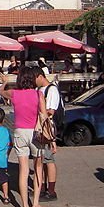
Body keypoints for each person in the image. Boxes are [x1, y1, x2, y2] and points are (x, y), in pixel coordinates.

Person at [0, 67, 50, 207]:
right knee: (38, 167)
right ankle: (36, 203)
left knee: (23, 170)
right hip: (35, 133)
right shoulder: (38, 94)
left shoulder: (14, 94)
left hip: (19, 132)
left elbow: (0, 92)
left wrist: (5, 82)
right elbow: (44, 116)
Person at [36, 72, 61, 200]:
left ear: (40, 76)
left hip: (48, 129)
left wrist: (40, 110)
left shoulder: (51, 90)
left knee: (49, 160)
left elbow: (51, 111)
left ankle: (51, 191)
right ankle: (43, 188)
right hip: (41, 128)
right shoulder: (39, 89)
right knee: (43, 160)